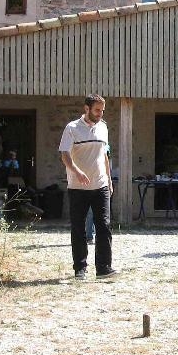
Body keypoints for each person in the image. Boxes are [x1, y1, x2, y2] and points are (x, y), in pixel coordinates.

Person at [59, 94, 116, 280]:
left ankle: (104, 268)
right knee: (79, 228)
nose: (100, 114)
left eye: (102, 110)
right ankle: (80, 268)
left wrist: (109, 180)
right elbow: (64, 155)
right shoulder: (72, 128)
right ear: (87, 109)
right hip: (78, 187)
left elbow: (105, 156)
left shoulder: (103, 127)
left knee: (104, 226)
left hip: (100, 185)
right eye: (97, 110)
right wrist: (76, 171)